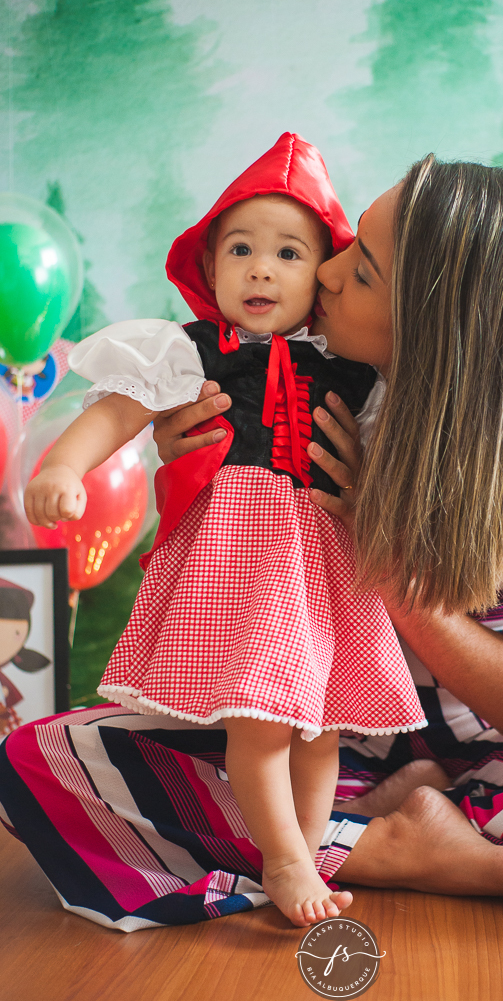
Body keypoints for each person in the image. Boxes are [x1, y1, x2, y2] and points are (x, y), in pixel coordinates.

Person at [4, 154, 503, 931]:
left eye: (362, 270)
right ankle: (386, 844)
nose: (324, 274)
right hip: (311, 715)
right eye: (345, 246)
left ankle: (355, 829)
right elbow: (238, 575)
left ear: (435, 321)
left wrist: (371, 536)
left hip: (487, 737)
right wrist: (190, 478)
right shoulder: (291, 381)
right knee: (42, 762)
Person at [21, 134, 426, 928]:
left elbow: (394, 456)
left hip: (318, 563)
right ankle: (281, 858)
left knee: (318, 729)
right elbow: (117, 409)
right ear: (208, 268)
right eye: (239, 248)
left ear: (325, 274)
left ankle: (303, 854)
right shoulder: (195, 351)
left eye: (287, 252)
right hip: (241, 559)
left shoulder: (348, 366)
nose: (261, 268)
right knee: (263, 721)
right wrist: (65, 467)